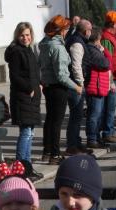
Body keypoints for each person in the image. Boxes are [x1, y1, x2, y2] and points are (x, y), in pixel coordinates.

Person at [39, 15, 82, 165]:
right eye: (66, 28)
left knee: (50, 120)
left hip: (48, 86)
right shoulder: (57, 48)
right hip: (58, 88)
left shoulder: (44, 44)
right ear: (61, 30)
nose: (68, 31)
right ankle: (55, 155)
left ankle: (47, 151)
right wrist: (76, 86)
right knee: (56, 122)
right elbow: (62, 75)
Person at [5, 22, 43, 178]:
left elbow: (33, 72)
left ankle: (27, 167)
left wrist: (39, 84)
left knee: (30, 133)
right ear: (17, 35)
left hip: (31, 98)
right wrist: (29, 88)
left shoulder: (29, 50)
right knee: (26, 133)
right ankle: (21, 169)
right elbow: (15, 76)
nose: (25, 38)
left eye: (27, 35)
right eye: (22, 35)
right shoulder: (16, 52)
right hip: (22, 98)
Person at [65, 19, 93, 156]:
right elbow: (76, 66)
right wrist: (80, 84)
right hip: (75, 85)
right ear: (86, 31)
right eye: (90, 30)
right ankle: (72, 145)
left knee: (77, 116)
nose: (91, 32)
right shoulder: (77, 43)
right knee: (75, 116)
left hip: (75, 84)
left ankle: (76, 142)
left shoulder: (78, 40)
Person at [83, 28, 112, 150]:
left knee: (97, 114)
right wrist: (103, 51)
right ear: (97, 39)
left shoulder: (93, 50)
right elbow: (106, 63)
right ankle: (92, 139)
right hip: (95, 86)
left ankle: (96, 137)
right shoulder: (92, 50)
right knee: (94, 114)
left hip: (98, 85)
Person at [100, 11, 116, 145]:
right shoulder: (107, 38)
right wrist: (110, 81)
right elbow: (107, 59)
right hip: (112, 78)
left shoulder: (110, 37)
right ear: (113, 24)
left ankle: (110, 130)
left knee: (112, 106)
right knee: (110, 106)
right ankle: (107, 132)